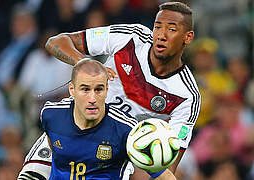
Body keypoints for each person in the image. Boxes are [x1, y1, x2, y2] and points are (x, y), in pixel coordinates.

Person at [19, 1, 200, 179]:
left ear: (188, 37)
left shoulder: (187, 96)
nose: (161, 35)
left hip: (111, 157)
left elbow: (169, 162)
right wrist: (86, 63)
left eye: (171, 29)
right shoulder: (131, 37)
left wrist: (147, 159)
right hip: (70, 128)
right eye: (157, 27)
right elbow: (56, 42)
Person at [18, 59, 176, 179]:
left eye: (99, 89)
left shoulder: (126, 130)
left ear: (107, 90)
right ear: (72, 90)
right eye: (85, 89)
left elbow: (164, 176)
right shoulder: (51, 115)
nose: (92, 98)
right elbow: (51, 149)